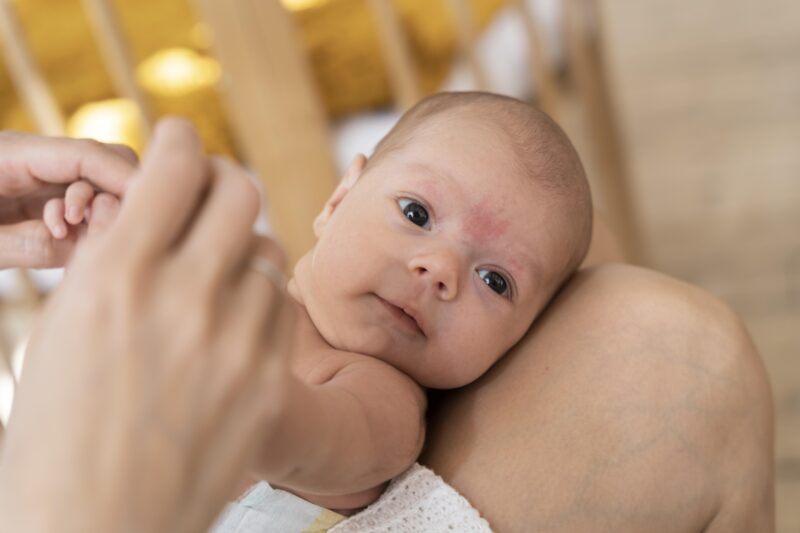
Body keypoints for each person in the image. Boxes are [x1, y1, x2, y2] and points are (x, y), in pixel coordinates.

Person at [0, 117, 773, 532]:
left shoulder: (379, 396)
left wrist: (240, 402)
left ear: (520, 343)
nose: (440, 268)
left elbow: (321, 442)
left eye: (496, 281)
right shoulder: (242, 280)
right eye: (416, 212)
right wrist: (109, 240)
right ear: (339, 199)